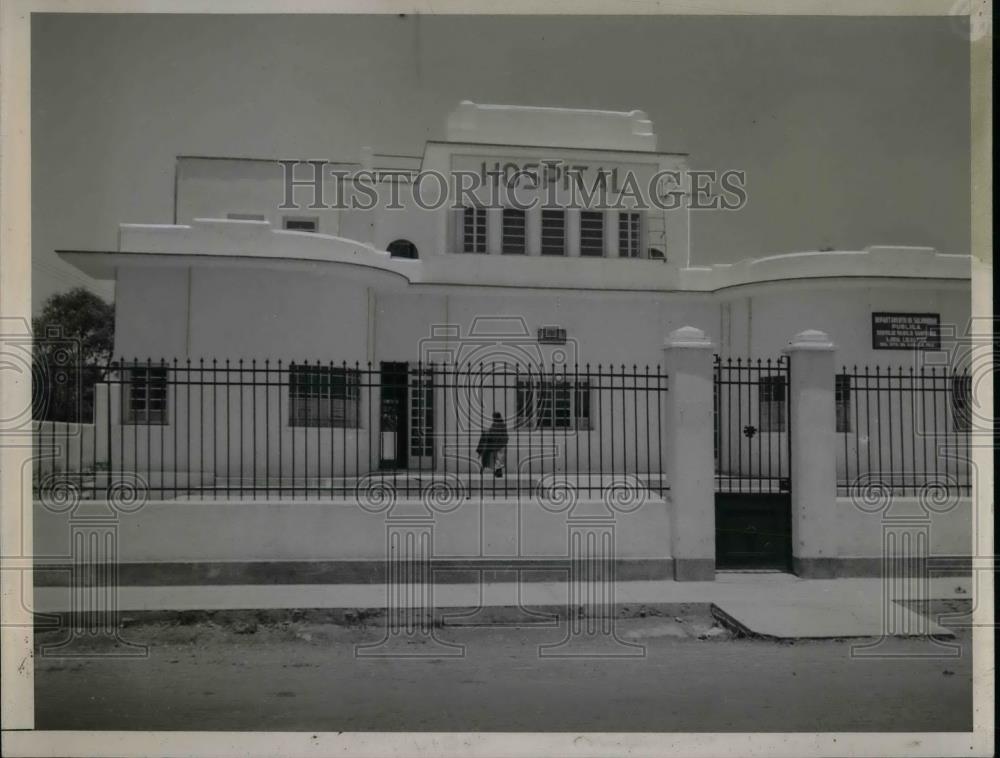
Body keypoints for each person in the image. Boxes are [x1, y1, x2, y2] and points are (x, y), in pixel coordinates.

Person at [476, 412, 509, 478]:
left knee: (497, 458)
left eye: (494, 417)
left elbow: (493, 432)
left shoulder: (498, 424)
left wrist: (486, 433)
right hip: (499, 444)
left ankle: (497, 472)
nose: (493, 418)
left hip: (498, 444)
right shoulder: (500, 424)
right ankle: (497, 472)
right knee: (498, 459)